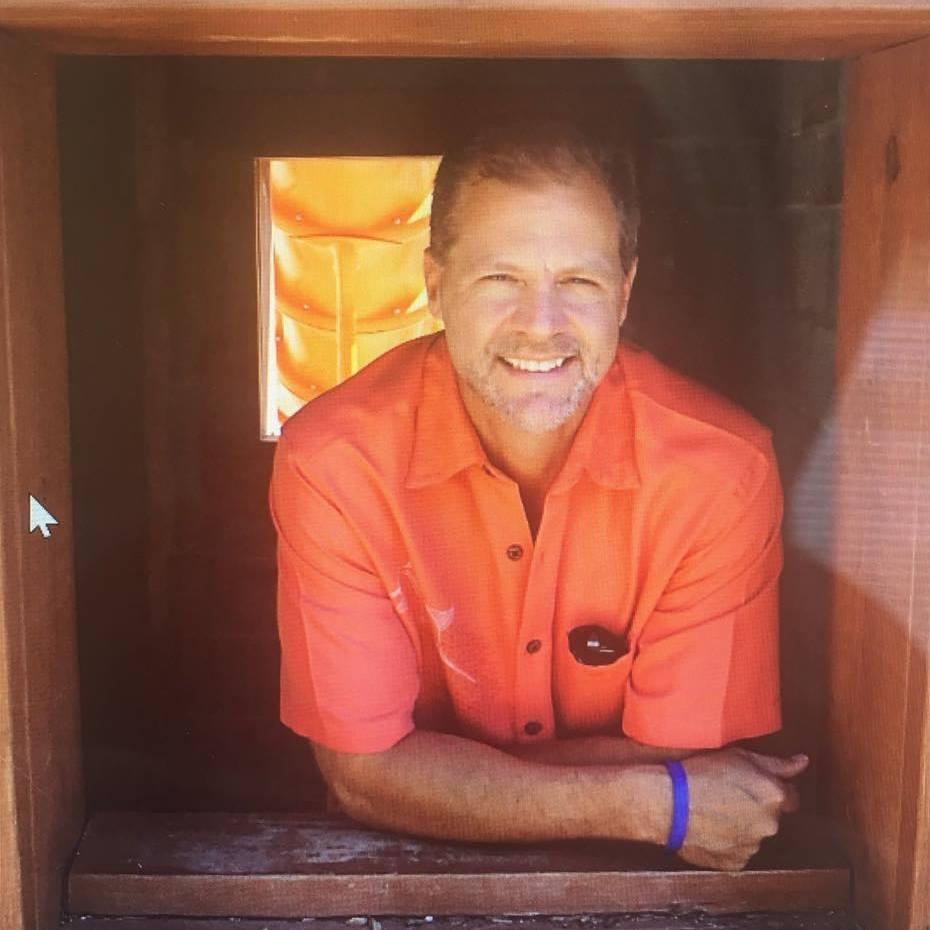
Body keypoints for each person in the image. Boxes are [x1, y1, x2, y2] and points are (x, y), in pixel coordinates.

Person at [269, 120, 808, 872]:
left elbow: (685, 752)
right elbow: (363, 775)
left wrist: (432, 781)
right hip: (395, 873)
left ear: (624, 294)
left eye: (579, 283)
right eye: (502, 279)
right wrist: (657, 804)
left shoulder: (720, 470)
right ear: (435, 285)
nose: (540, 326)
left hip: (632, 881)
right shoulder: (334, 460)